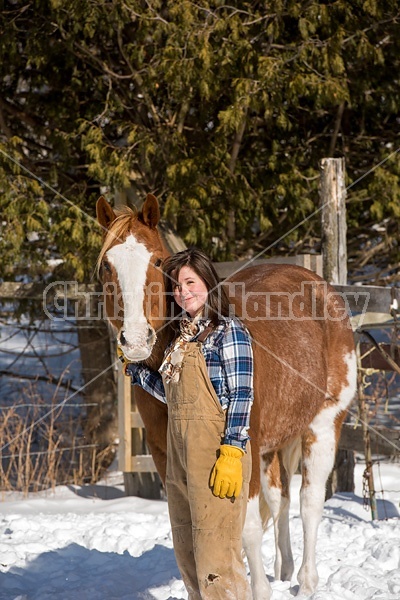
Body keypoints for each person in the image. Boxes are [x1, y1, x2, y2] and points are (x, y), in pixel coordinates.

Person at [125, 247, 254, 600]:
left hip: (216, 458)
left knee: (217, 563)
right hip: (181, 460)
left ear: (208, 283)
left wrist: (232, 451)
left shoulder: (229, 333)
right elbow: (174, 394)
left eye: (190, 282)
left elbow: (242, 396)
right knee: (188, 558)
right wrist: (137, 372)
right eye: (176, 287)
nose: (183, 292)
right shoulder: (180, 340)